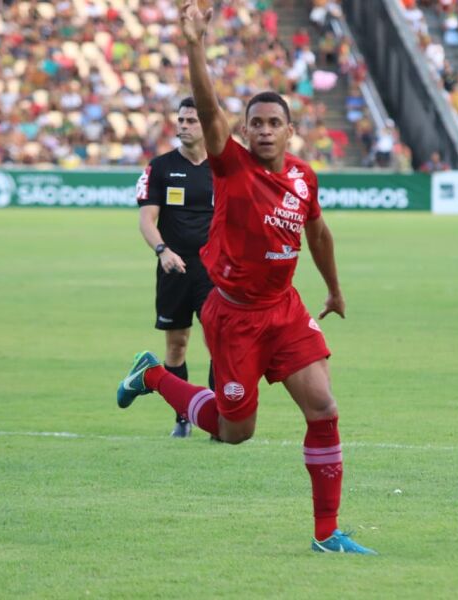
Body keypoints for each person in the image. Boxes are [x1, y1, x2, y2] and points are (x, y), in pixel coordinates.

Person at [116, 0, 376, 555]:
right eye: (253, 123)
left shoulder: (305, 178)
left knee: (324, 408)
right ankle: (155, 377)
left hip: (284, 307)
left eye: (272, 123)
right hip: (233, 314)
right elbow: (210, 112)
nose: (262, 131)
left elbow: (319, 234)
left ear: (290, 130)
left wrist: (333, 287)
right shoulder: (231, 167)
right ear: (243, 131)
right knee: (235, 432)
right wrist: (193, 46)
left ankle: (327, 534)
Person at [129, 97, 215, 438]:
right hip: (173, 269)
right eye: (180, 120)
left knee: (218, 344)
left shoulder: (224, 168)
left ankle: (217, 416)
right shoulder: (161, 167)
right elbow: (146, 220)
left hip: (214, 272)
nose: (183, 125)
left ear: (206, 125)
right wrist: (162, 250)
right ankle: (183, 415)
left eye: (191, 120)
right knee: (176, 344)